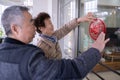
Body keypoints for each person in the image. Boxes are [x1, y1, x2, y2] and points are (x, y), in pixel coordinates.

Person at [0, 5, 109, 80]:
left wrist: (79, 20)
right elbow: (68, 71)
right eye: (31, 23)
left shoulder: (52, 37)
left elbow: (65, 28)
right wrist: (95, 50)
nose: (34, 27)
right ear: (15, 29)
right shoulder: (34, 54)